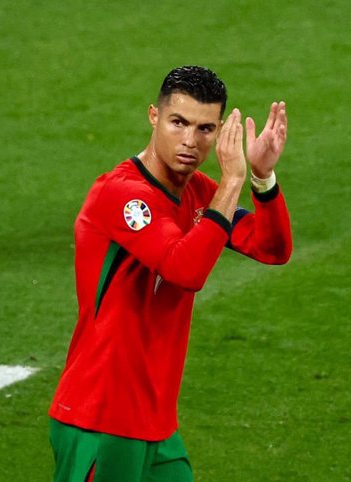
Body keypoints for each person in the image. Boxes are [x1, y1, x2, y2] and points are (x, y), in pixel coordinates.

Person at [48, 65, 292, 481]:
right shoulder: (122, 194)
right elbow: (185, 269)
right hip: (101, 416)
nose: (190, 141)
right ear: (153, 116)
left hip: (154, 421)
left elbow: (271, 248)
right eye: (178, 122)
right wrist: (231, 182)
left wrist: (261, 176)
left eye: (205, 129)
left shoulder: (198, 194)